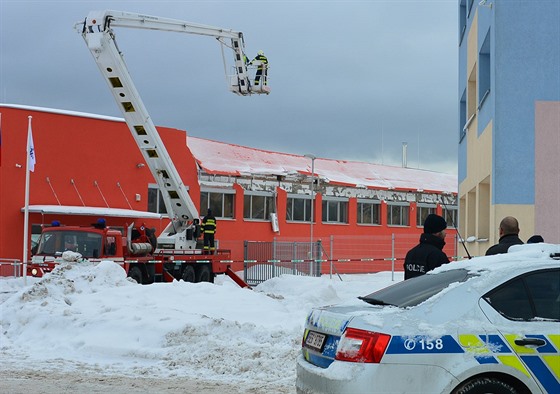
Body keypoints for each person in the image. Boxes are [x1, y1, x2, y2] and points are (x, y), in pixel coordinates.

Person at [404, 214, 450, 280]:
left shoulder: (411, 253)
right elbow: (447, 281)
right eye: (443, 230)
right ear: (437, 232)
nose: (445, 233)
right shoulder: (437, 255)